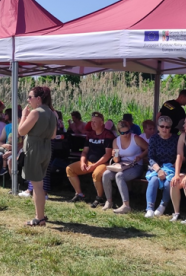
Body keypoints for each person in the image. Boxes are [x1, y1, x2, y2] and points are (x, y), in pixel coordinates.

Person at [19, 86, 57, 227]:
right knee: (38, 184)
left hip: (34, 149)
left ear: (38, 98)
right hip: (46, 149)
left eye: (30, 97)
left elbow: (21, 131)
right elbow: (53, 135)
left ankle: (39, 218)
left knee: (37, 186)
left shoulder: (35, 113)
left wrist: (24, 115)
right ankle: (40, 214)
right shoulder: (53, 114)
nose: (28, 100)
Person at [66, 111, 115, 206]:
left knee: (96, 174)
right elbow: (84, 151)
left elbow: (108, 154)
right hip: (89, 162)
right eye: (91, 121)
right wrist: (82, 162)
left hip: (103, 163)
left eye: (95, 122)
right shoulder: (90, 135)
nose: (92, 124)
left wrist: (94, 166)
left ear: (102, 123)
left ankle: (99, 198)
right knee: (69, 169)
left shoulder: (107, 135)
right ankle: (79, 194)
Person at [101, 118, 149, 214]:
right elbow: (116, 160)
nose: (126, 135)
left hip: (136, 165)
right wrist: (115, 154)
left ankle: (126, 205)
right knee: (106, 174)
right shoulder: (116, 141)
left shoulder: (135, 138)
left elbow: (148, 148)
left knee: (119, 176)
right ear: (119, 132)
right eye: (123, 133)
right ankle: (109, 201)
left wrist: (140, 156)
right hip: (122, 165)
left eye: (127, 132)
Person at [144, 115, 179, 217]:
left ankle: (163, 205)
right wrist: (159, 170)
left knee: (169, 183)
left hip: (171, 167)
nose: (164, 129)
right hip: (156, 166)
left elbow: (180, 156)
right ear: (158, 127)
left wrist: (172, 167)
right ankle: (149, 208)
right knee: (153, 180)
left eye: (167, 127)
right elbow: (150, 158)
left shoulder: (176, 139)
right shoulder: (154, 139)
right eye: (162, 126)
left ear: (170, 128)